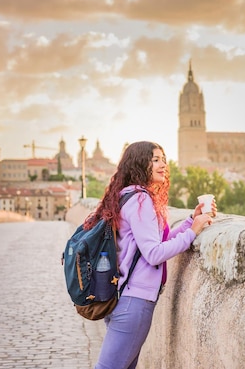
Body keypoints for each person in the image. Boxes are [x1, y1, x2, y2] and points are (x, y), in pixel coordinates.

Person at [84, 141, 216, 369]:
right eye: (155, 159)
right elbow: (154, 254)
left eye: (163, 159)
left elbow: (154, 243)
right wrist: (194, 232)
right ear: (139, 164)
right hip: (133, 302)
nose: (163, 164)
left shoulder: (126, 195)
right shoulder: (140, 199)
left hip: (122, 298)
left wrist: (189, 222)